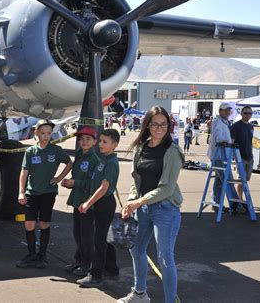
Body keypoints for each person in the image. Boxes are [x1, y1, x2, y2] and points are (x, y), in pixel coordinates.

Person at [118, 106, 184, 303]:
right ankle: (140, 294)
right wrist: (131, 201)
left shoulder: (172, 152)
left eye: (163, 124)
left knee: (165, 259)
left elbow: (166, 188)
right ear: (147, 125)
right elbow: (135, 179)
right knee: (136, 249)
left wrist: (138, 201)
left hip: (165, 209)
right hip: (143, 208)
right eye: (154, 124)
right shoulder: (141, 148)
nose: (159, 128)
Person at [16, 119, 72, 269]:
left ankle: (42, 255)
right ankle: (31, 255)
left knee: (44, 223)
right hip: (32, 193)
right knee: (29, 224)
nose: (46, 136)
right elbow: (24, 172)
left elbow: (69, 163)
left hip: (48, 193)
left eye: (48, 133)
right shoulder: (30, 151)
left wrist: (59, 178)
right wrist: (21, 192)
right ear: (36, 133)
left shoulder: (56, 150)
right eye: (43, 133)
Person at [76, 129, 121, 287]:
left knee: (99, 240)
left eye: (105, 142)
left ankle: (95, 275)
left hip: (104, 202)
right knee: (103, 238)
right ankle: (111, 268)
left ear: (114, 145)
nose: (101, 144)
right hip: (98, 201)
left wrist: (88, 203)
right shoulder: (102, 159)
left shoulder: (111, 163)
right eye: (100, 141)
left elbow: (103, 188)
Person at [61, 127, 100, 276]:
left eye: (88, 139)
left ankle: (86, 265)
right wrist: (69, 182)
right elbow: (77, 175)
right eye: (82, 139)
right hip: (77, 200)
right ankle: (78, 260)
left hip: (87, 203)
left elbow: (93, 184)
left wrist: (75, 183)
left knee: (86, 235)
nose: (84, 142)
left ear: (94, 142)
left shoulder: (94, 159)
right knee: (77, 233)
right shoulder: (79, 154)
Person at [208, 102, 234, 211]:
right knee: (227, 179)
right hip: (219, 155)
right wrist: (226, 142)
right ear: (220, 111)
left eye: (229, 110)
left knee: (219, 180)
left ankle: (216, 203)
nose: (228, 112)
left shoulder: (224, 122)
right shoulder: (217, 121)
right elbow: (218, 137)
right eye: (226, 110)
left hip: (222, 155)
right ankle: (234, 203)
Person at [230, 106, 254, 203]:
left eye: (249, 113)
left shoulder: (250, 126)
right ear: (241, 114)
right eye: (245, 113)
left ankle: (241, 198)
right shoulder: (236, 126)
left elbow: (250, 142)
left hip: (249, 157)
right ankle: (239, 199)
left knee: (246, 180)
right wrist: (233, 156)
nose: (247, 115)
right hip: (239, 157)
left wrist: (252, 154)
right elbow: (231, 142)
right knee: (240, 179)